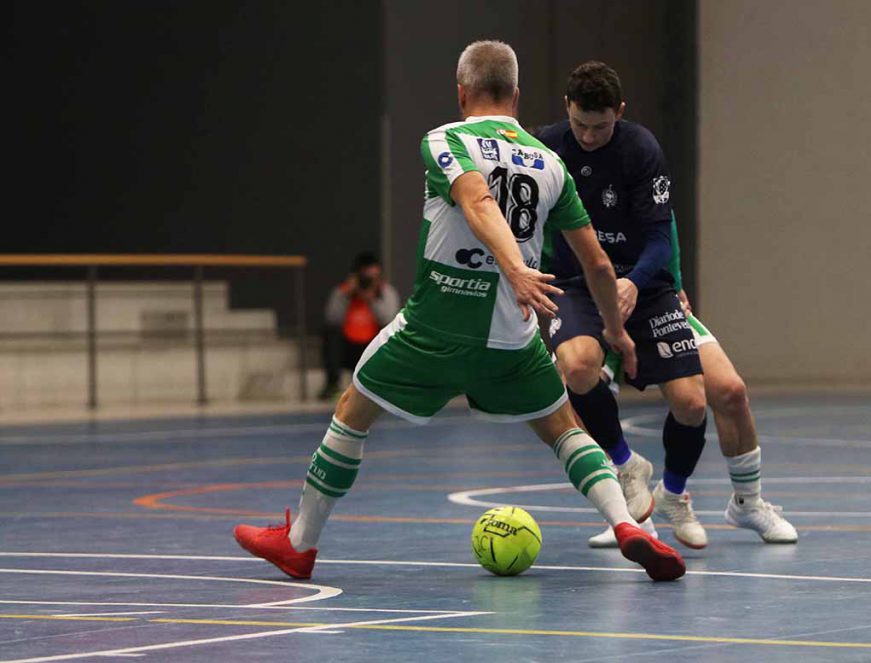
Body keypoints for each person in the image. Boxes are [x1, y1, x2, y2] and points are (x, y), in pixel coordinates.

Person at [233, 40, 685, 582]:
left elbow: (477, 200)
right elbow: (599, 266)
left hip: (432, 331)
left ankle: (299, 544)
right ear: (516, 95)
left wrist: (514, 268)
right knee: (566, 429)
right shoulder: (551, 163)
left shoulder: (445, 139)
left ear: (462, 92)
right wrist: (617, 331)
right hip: (512, 341)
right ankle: (626, 525)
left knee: (352, 411)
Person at [535, 61, 710, 549]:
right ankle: (625, 463)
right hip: (576, 283)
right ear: (567, 108)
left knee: (693, 403)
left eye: (601, 126)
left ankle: (673, 492)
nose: (589, 137)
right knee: (577, 367)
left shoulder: (641, 149)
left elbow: (660, 236)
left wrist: (633, 282)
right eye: (580, 124)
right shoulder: (547, 147)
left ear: (621, 112)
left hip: (644, 284)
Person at [587, 219, 797, 547]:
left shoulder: (643, 187)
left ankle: (744, 502)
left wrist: (675, 282)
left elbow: (662, 225)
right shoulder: (571, 192)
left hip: (652, 298)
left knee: (729, 391)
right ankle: (626, 514)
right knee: (584, 393)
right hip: (593, 302)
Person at [319, 252, 401, 400]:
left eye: (373, 278)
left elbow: (389, 321)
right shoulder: (342, 292)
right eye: (365, 278)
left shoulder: (387, 292)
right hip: (349, 349)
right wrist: (347, 295)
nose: (368, 282)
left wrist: (372, 300)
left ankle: (386, 384)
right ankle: (332, 385)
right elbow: (332, 319)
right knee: (330, 334)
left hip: (373, 348)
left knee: (393, 336)